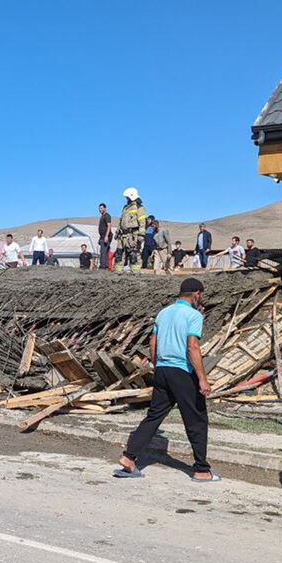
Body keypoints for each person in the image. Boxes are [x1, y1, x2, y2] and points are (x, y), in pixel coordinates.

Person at [113, 277, 217, 482]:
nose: (200, 298)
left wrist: (157, 365)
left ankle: (129, 457)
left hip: (162, 369)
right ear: (196, 294)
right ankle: (201, 469)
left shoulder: (163, 313)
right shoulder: (194, 315)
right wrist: (202, 379)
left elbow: (153, 342)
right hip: (182, 372)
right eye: (200, 295)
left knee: (154, 415)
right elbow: (192, 347)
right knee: (196, 419)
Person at [118, 188, 147, 269]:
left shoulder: (139, 208)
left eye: (127, 197)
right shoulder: (125, 207)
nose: (126, 199)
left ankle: (135, 274)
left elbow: (142, 222)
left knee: (134, 255)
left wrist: (141, 234)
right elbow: (121, 220)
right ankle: (118, 274)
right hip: (123, 235)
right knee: (120, 254)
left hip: (133, 235)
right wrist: (118, 231)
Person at [97, 203, 112, 271]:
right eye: (99, 208)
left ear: (105, 208)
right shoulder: (102, 216)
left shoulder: (107, 216)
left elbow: (109, 226)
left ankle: (103, 266)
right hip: (102, 236)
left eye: (102, 208)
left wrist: (106, 236)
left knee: (104, 251)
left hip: (106, 237)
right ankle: (104, 265)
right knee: (103, 251)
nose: (100, 210)